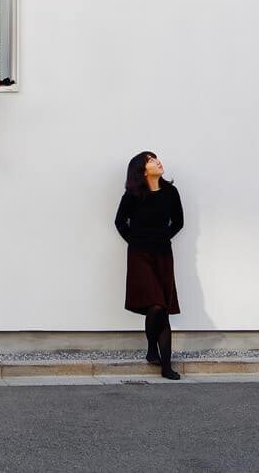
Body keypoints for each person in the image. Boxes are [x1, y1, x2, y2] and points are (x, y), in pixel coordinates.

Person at [114, 151, 185, 381]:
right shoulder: (134, 194)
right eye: (151, 160)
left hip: (163, 254)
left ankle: (164, 365)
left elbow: (179, 221)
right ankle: (152, 350)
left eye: (156, 158)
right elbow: (119, 222)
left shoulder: (171, 192)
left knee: (162, 307)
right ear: (143, 170)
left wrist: (164, 237)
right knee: (155, 304)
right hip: (140, 255)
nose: (158, 161)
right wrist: (134, 242)